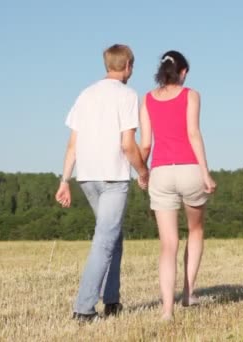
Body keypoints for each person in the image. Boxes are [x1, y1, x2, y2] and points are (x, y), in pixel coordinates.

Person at [55, 44, 149, 322]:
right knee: (104, 241)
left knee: (112, 235)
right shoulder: (128, 95)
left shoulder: (85, 95)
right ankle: (83, 309)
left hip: (86, 176)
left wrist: (64, 181)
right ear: (128, 65)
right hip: (112, 176)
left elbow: (73, 144)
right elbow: (128, 145)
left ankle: (112, 301)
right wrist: (143, 171)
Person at [139, 50, 217, 321]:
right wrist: (206, 173)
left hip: (160, 172)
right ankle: (187, 293)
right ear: (183, 72)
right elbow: (194, 133)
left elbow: (146, 144)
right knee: (195, 230)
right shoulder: (191, 95)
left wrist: (142, 171)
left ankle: (166, 311)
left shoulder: (147, 99)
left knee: (167, 244)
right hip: (189, 170)